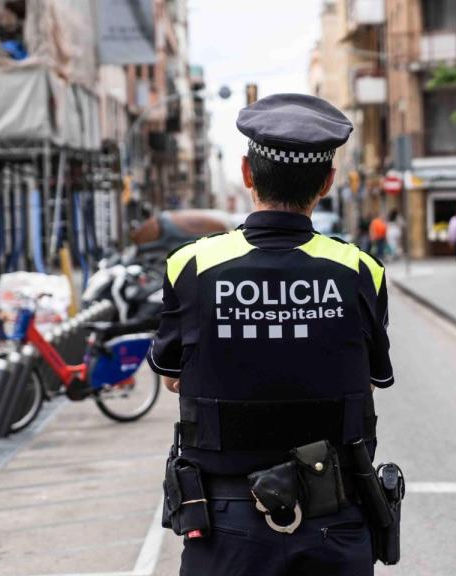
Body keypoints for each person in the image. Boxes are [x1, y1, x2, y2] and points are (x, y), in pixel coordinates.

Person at [149, 93, 396, 575]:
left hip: (225, 520)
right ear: (326, 182)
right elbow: (368, 380)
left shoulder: (191, 265)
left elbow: (172, 377)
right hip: (334, 513)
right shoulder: (361, 270)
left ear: (247, 174)